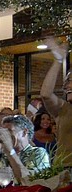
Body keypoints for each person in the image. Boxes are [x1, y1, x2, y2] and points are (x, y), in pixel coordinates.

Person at [40, 38, 72, 171]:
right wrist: (58, 60)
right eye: (67, 81)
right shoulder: (64, 108)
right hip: (64, 169)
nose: (68, 85)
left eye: (71, 81)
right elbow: (46, 94)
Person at [0, 114, 50, 182]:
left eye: (9, 130)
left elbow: (28, 179)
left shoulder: (38, 153)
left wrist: (10, 152)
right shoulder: (2, 156)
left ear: (24, 132)